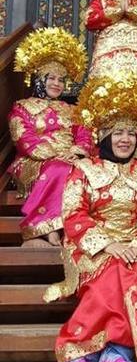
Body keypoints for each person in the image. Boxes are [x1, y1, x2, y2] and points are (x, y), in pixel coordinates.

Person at [45, 73, 137, 362]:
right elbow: (72, 213)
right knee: (111, 273)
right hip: (89, 244)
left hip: (136, 244)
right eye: (118, 133)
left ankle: (116, 355)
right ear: (105, 136)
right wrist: (106, 244)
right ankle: (73, 354)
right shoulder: (84, 169)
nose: (125, 139)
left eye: (130, 133)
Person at [8, 27, 93, 247]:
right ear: (39, 79)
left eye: (62, 80)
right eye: (52, 78)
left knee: (82, 171)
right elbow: (25, 141)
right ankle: (46, 226)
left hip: (71, 158)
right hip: (34, 161)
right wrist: (61, 153)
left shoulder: (72, 110)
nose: (57, 84)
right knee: (58, 168)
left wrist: (79, 150)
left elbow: (85, 135)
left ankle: (67, 225)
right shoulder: (22, 107)